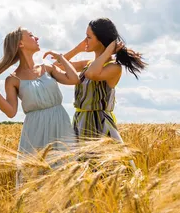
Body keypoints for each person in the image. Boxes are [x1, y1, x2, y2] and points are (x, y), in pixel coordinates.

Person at [0, 27, 80, 187]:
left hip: (60, 123)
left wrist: (61, 58)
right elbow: (10, 112)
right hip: (35, 130)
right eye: (31, 35)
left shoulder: (47, 68)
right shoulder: (13, 80)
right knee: (34, 179)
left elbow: (74, 79)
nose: (37, 38)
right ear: (20, 44)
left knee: (67, 174)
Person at [56, 18, 146, 146]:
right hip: (80, 122)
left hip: (99, 124)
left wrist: (108, 51)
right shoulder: (87, 63)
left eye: (88, 37)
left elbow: (91, 74)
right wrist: (78, 49)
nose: (85, 40)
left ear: (101, 40)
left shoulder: (114, 67)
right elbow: (56, 67)